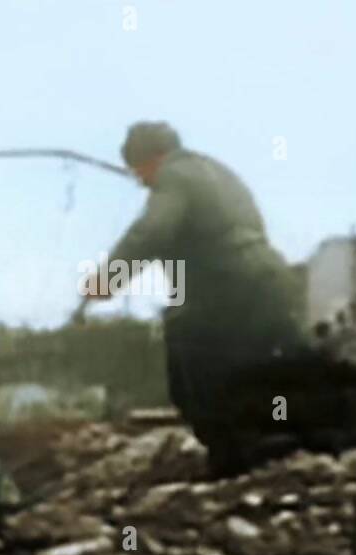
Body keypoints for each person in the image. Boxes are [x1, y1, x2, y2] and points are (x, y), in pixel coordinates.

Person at [81, 121, 305, 476]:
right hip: (272, 283)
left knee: (190, 369)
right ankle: (273, 452)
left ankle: (233, 461)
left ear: (150, 158)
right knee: (263, 373)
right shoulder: (217, 172)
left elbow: (151, 232)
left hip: (228, 287)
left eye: (138, 172)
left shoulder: (172, 177)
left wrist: (108, 278)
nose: (140, 181)